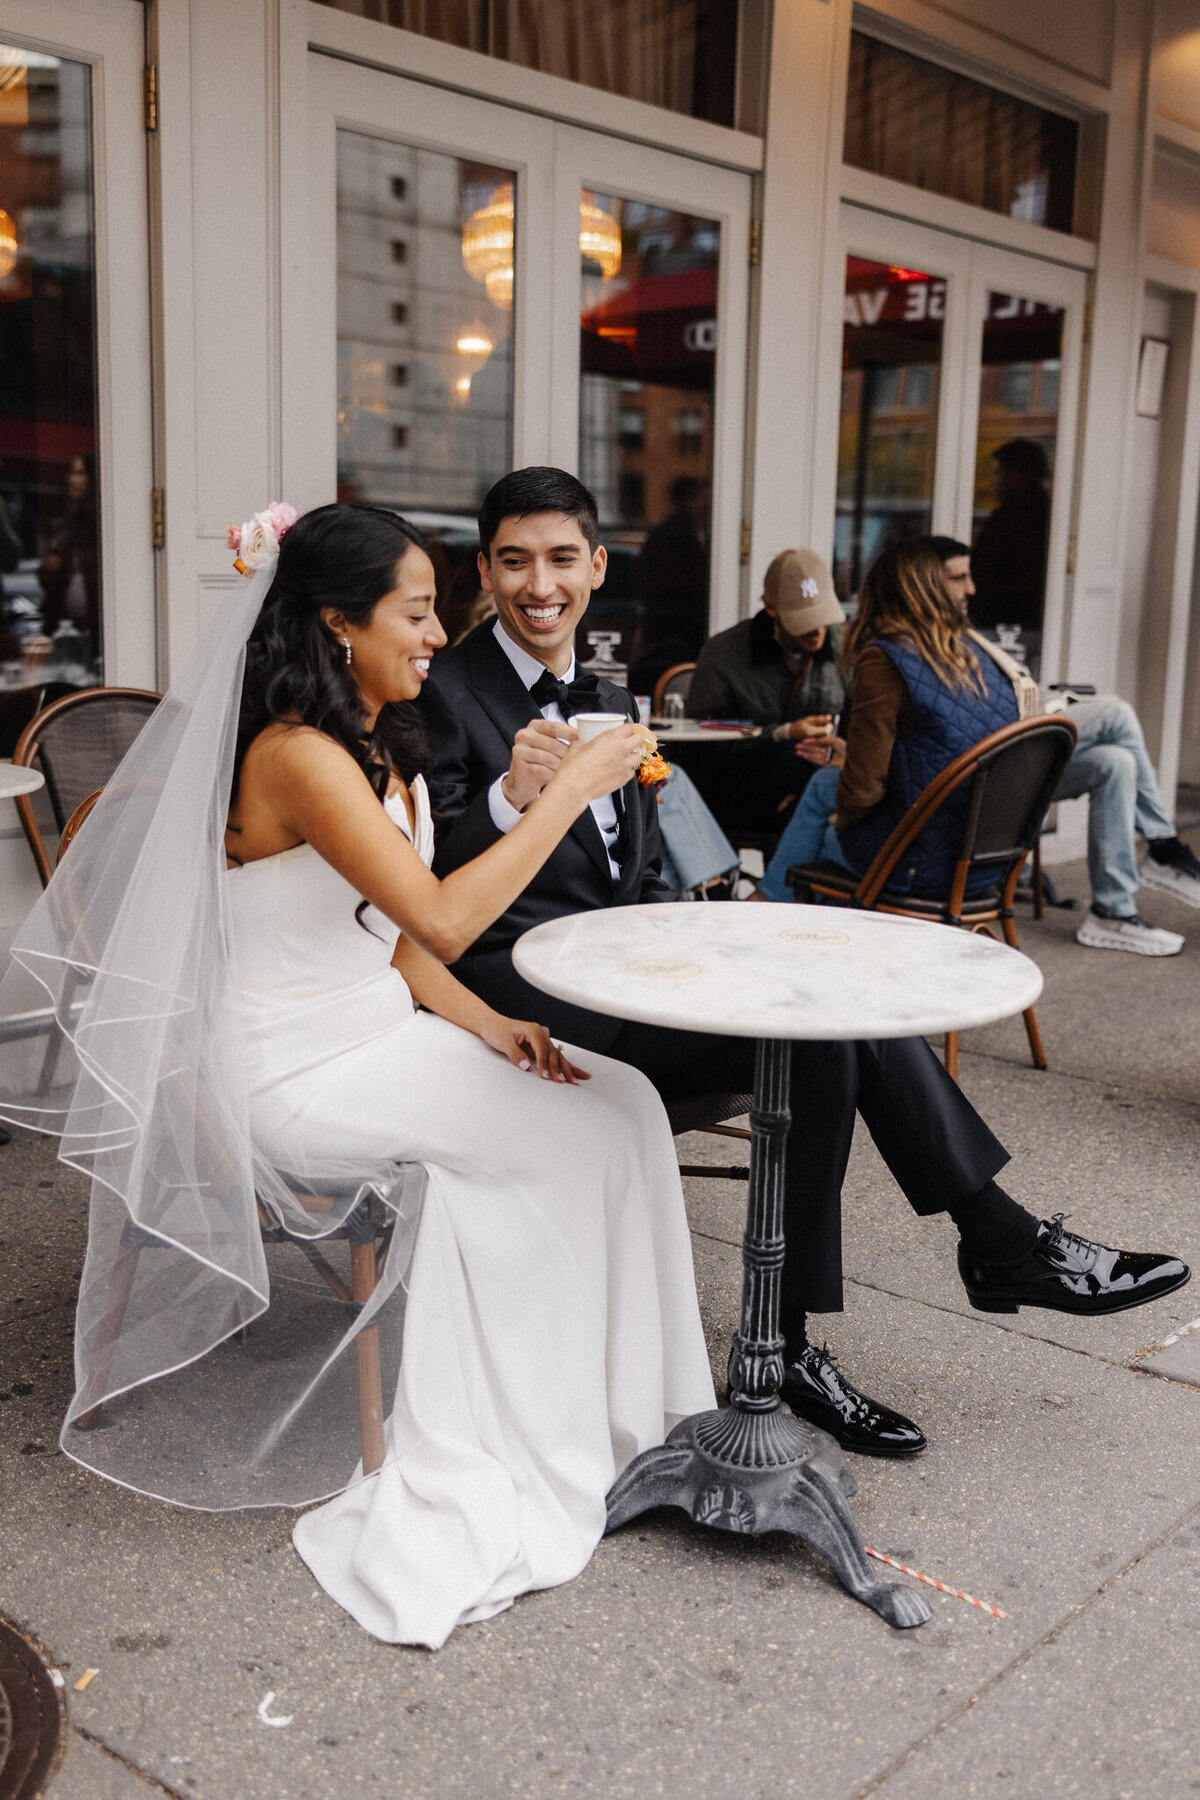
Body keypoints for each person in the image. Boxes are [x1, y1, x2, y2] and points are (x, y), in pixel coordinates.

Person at [0, 501, 717, 1650]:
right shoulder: (293, 757)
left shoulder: (378, 735)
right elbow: (438, 908)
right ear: (339, 624)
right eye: (419, 611)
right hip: (290, 1069)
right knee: (558, 1141)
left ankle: (637, 1410)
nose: (441, 634)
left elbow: (388, 940)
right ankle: (546, 1432)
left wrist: (489, 1022)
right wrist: (571, 789)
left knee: (619, 1101)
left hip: (379, 1025)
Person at [421, 467, 1189, 1462]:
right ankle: (992, 1247)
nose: (540, 584)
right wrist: (509, 801)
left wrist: (705, 927)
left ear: (598, 566)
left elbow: (632, 872)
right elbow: (419, 879)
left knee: (825, 1033)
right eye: (515, 560)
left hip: (622, 981)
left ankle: (790, 1342)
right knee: (818, 1037)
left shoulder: (611, 698)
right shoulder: (443, 692)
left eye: (562, 558)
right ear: (483, 569)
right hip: (517, 1002)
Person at [931, 536, 1200, 957]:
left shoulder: (964, 634)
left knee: (1115, 762)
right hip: (978, 776)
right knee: (1115, 714)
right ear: (926, 581)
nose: (972, 588)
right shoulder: (919, 644)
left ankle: (1112, 912)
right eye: (959, 577)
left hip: (1006, 760)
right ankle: (1163, 846)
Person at [683, 548, 846, 835]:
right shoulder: (724, 653)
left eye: (822, 616)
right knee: (794, 761)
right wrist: (783, 733)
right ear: (771, 608)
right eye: (803, 619)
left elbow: (862, 717)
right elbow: (703, 748)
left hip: (817, 779)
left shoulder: (844, 646)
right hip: (739, 785)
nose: (816, 630)